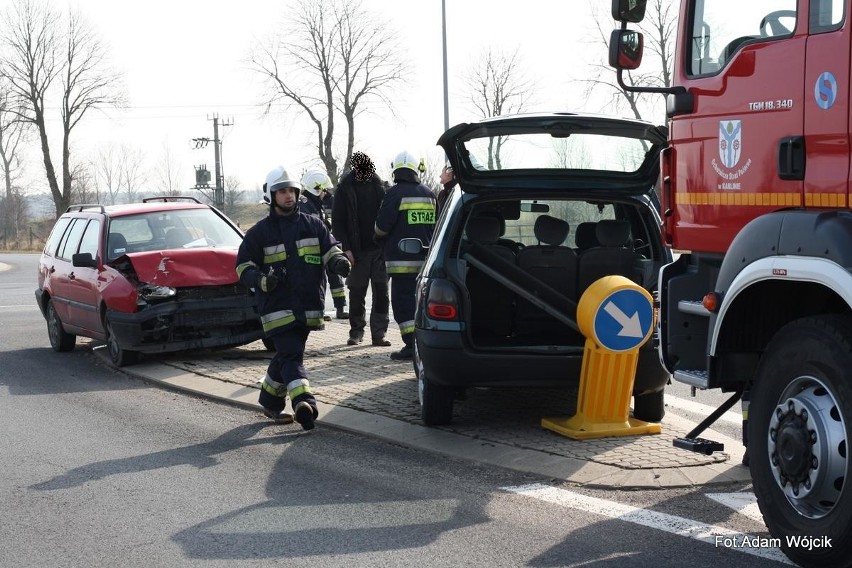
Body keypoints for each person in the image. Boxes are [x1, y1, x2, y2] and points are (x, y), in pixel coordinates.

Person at [236, 166, 351, 430]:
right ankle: (304, 403)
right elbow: (243, 266)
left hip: (308, 305)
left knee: (287, 356)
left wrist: (339, 262)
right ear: (271, 195)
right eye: (282, 191)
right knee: (291, 354)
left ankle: (269, 401)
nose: (288, 196)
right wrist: (262, 281)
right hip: (276, 306)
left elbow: (330, 249)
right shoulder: (259, 233)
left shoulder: (314, 225)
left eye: (292, 190)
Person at [375, 150, 436, 360]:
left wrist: (377, 235)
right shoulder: (429, 193)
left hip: (401, 263)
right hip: (427, 262)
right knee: (423, 302)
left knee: (402, 303)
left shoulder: (394, 193)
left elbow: (382, 227)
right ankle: (423, 344)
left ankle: (411, 346)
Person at [331, 151, 391, 347]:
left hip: (379, 251)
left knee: (381, 293)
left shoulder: (379, 187)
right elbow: (338, 222)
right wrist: (346, 249)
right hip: (356, 252)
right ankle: (356, 332)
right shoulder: (344, 189)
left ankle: (379, 334)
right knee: (357, 293)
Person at [300, 169, 349, 320]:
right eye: (323, 190)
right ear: (316, 189)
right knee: (317, 282)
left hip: (323, 247)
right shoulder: (304, 205)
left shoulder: (315, 204)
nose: (325, 193)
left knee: (335, 275)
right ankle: (319, 311)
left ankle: (340, 308)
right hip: (312, 250)